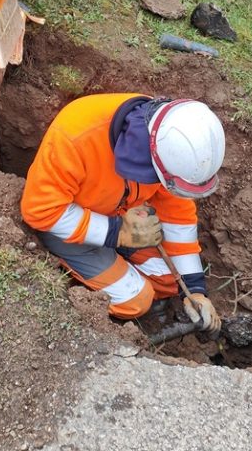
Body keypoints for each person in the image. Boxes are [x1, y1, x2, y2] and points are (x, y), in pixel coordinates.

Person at [20, 93, 226, 333]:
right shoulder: (76, 136)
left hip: (119, 218)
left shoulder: (169, 140)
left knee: (170, 279)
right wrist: (118, 233)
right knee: (136, 301)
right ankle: (81, 279)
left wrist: (195, 289)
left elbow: (177, 214)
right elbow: (40, 210)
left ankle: (116, 267)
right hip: (64, 224)